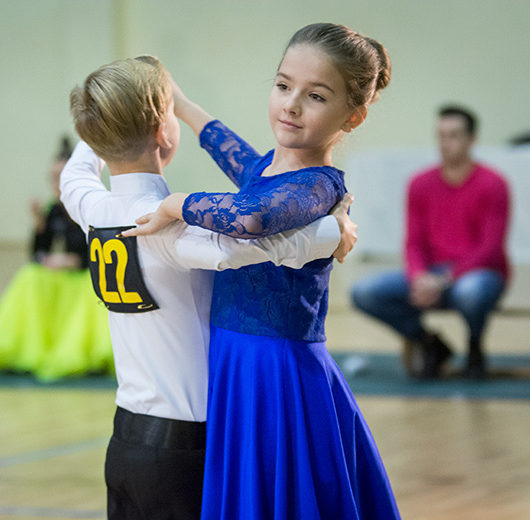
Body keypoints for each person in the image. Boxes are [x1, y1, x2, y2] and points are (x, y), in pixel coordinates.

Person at [61, 55, 359, 520]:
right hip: (185, 447)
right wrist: (334, 232)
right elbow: (256, 240)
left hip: (124, 440)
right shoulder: (169, 230)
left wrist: (106, 124)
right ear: (164, 134)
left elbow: (73, 175)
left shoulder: (90, 207)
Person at [123, 24, 400, 520]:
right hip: (235, 359)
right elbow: (233, 152)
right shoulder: (270, 168)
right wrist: (183, 108)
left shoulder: (317, 186)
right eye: (283, 85)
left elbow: (250, 217)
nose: (291, 105)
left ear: (352, 117)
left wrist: (176, 203)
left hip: (275, 371)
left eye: (315, 95)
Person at [352, 106, 511, 381]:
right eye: (440, 135)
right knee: (364, 292)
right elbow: (413, 242)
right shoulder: (420, 184)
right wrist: (419, 277)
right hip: (432, 274)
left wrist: (444, 280)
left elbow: (490, 248)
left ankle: (475, 350)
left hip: (479, 275)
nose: (445, 143)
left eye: (453, 135)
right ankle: (429, 343)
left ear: (471, 140)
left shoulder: (493, 183)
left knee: (470, 292)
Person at [0, 137, 113, 381]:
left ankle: (84, 353)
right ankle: (25, 350)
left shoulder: (93, 207)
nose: (55, 183)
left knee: (92, 286)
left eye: (60, 177)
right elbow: (37, 254)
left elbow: (101, 253)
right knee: (29, 276)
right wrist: (38, 226)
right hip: (59, 277)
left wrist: (74, 262)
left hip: (83, 278)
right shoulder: (52, 211)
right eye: (52, 177)